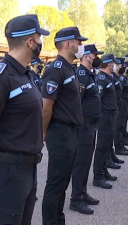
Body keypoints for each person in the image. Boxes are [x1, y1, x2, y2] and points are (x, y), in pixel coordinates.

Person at [0, 14, 48, 225]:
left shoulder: (25, 74)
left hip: (27, 167)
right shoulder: (0, 77)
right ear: (30, 42)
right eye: (39, 38)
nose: (40, 43)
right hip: (9, 170)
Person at [41, 27, 87, 225]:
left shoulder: (69, 68)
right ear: (68, 43)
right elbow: (46, 107)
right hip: (60, 133)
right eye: (78, 42)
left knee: (62, 183)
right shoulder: (55, 69)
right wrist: (42, 133)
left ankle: (59, 220)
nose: (81, 46)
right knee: (55, 183)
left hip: (71, 132)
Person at [69, 44, 103, 215]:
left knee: (87, 160)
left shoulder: (90, 74)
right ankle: (75, 199)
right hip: (84, 125)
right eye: (95, 55)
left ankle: (82, 193)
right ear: (87, 56)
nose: (97, 58)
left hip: (91, 124)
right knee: (81, 162)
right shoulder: (81, 75)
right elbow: (76, 101)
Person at [93, 54, 118, 190]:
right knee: (102, 147)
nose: (115, 66)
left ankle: (103, 170)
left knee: (107, 145)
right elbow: (98, 99)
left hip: (110, 115)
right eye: (113, 63)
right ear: (109, 64)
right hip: (105, 116)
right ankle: (98, 176)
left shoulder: (108, 77)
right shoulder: (102, 78)